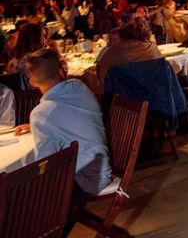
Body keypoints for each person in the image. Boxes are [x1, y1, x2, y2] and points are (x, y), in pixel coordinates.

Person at [15, 48, 112, 197]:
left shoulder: (42, 114)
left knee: (18, 192)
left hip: (84, 181)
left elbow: (47, 164)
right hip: (101, 170)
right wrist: (37, 126)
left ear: (32, 82)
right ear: (61, 71)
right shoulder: (79, 86)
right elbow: (69, 116)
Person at [95, 18, 163, 94]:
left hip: (125, 101)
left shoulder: (113, 51)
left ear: (123, 34)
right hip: (156, 96)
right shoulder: (152, 48)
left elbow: (101, 76)